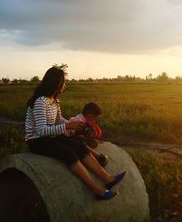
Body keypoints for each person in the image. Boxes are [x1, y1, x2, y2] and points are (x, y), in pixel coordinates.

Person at [25, 67, 127, 200]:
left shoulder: (54, 100)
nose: (65, 85)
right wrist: (67, 126)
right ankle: (97, 190)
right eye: (64, 82)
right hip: (37, 140)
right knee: (68, 153)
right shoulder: (40, 102)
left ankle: (107, 179)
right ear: (56, 83)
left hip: (50, 136)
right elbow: (41, 130)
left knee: (80, 145)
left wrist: (76, 126)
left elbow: (58, 120)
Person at [65, 102, 109, 167]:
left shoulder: (81, 118)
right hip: (68, 137)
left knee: (90, 142)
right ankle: (99, 157)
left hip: (71, 135)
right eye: (94, 119)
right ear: (90, 115)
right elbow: (77, 135)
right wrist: (88, 139)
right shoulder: (80, 122)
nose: (94, 121)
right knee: (82, 143)